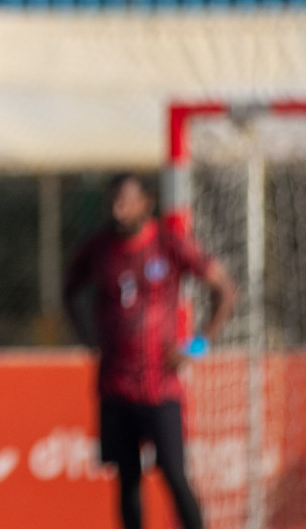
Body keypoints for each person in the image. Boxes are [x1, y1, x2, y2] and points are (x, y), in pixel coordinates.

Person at [63, 173, 237, 529]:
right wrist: (85, 334)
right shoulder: (97, 248)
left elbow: (224, 289)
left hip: (161, 384)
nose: (117, 208)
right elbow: (69, 290)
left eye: (125, 200)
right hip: (115, 385)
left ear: (147, 203)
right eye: (112, 200)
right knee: (127, 480)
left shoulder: (169, 244)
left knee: (174, 473)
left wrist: (199, 343)